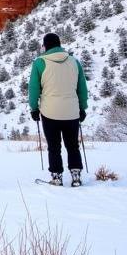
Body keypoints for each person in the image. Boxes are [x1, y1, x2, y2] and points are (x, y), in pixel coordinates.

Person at [28, 32, 88, 186]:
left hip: (50, 112)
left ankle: (56, 177)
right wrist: (82, 108)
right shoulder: (74, 62)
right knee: (73, 145)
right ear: (59, 45)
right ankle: (76, 176)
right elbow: (82, 87)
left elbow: (34, 88)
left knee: (54, 147)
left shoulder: (39, 62)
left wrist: (34, 108)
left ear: (45, 46)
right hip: (72, 112)